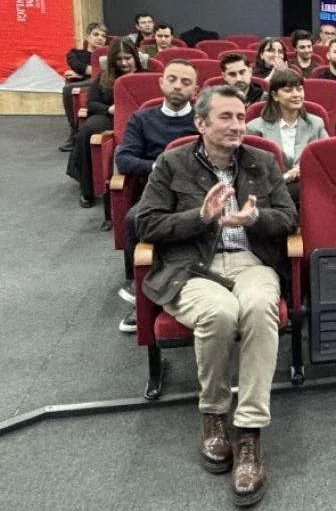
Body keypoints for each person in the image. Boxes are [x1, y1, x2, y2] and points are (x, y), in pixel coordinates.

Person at [133, 85, 295, 506]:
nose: (237, 125)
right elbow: (145, 224)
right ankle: (214, 414)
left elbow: (288, 218)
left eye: (241, 116)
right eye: (226, 117)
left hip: (250, 261)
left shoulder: (262, 161)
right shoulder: (172, 163)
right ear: (201, 123)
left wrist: (255, 218)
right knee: (220, 313)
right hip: (191, 267)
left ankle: (250, 431)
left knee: (259, 308)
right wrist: (201, 216)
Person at [113, 59, 200, 334]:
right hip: (158, 189)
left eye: (186, 82)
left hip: (197, 189)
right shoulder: (142, 119)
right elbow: (124, 159)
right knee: (134, 219)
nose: (178, 86)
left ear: (195, 90)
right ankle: (139, 289)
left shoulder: (203, 120)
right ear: (161, 82)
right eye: (172, 79)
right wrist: (159, 167)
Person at [68, 39, 140, 209]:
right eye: (119, 59)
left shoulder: (147, 75)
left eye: (127, 58)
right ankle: (87, 189)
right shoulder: (105, 76)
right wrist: (108, 109)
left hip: (140, 117)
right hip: (111, 116)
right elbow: (91, 104)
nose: (124, 63)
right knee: (87, 132)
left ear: (135, 57)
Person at [247, 69, 327, 203]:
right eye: (288, 90)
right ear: (275, 95)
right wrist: (288, 176)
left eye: (299, 89)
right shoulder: (255, 128)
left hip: (308, 187)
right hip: (270, 191)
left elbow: (327, 160)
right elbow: (253, 172)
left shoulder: (316, 124)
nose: (296, 95)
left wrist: (304, 169)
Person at [60, 21, 109, 151]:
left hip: (104, 83)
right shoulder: (75, 54)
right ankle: (74, 132)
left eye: (103, 36)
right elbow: (78, 66)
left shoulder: (109, 54)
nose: (100, 38)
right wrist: (88, 71)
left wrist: (82, 73)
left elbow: (109, 71)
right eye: (96, 34)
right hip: (86, 85)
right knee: (68, 89)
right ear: (87, 37)